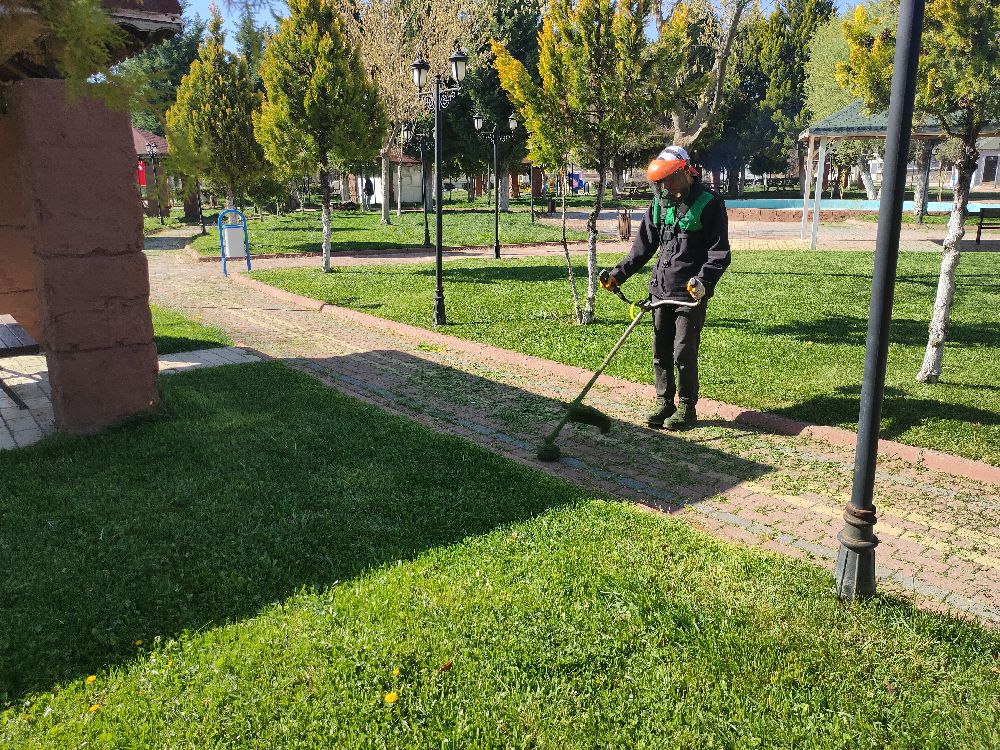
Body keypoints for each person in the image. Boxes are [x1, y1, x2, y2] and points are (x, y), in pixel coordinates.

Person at [600, 145, 731, 430]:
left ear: (686, 172)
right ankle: (664, 402)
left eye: (669, 179)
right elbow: (643, 247)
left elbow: (720, 253)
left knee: (683, 351)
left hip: (689, 293)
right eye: (659, 181)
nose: (663, 186)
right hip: (660, 290)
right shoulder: (660, 202)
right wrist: (618, 275)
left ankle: (686, 407)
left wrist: (704, 281)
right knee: (661, 349)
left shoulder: (709, 203)